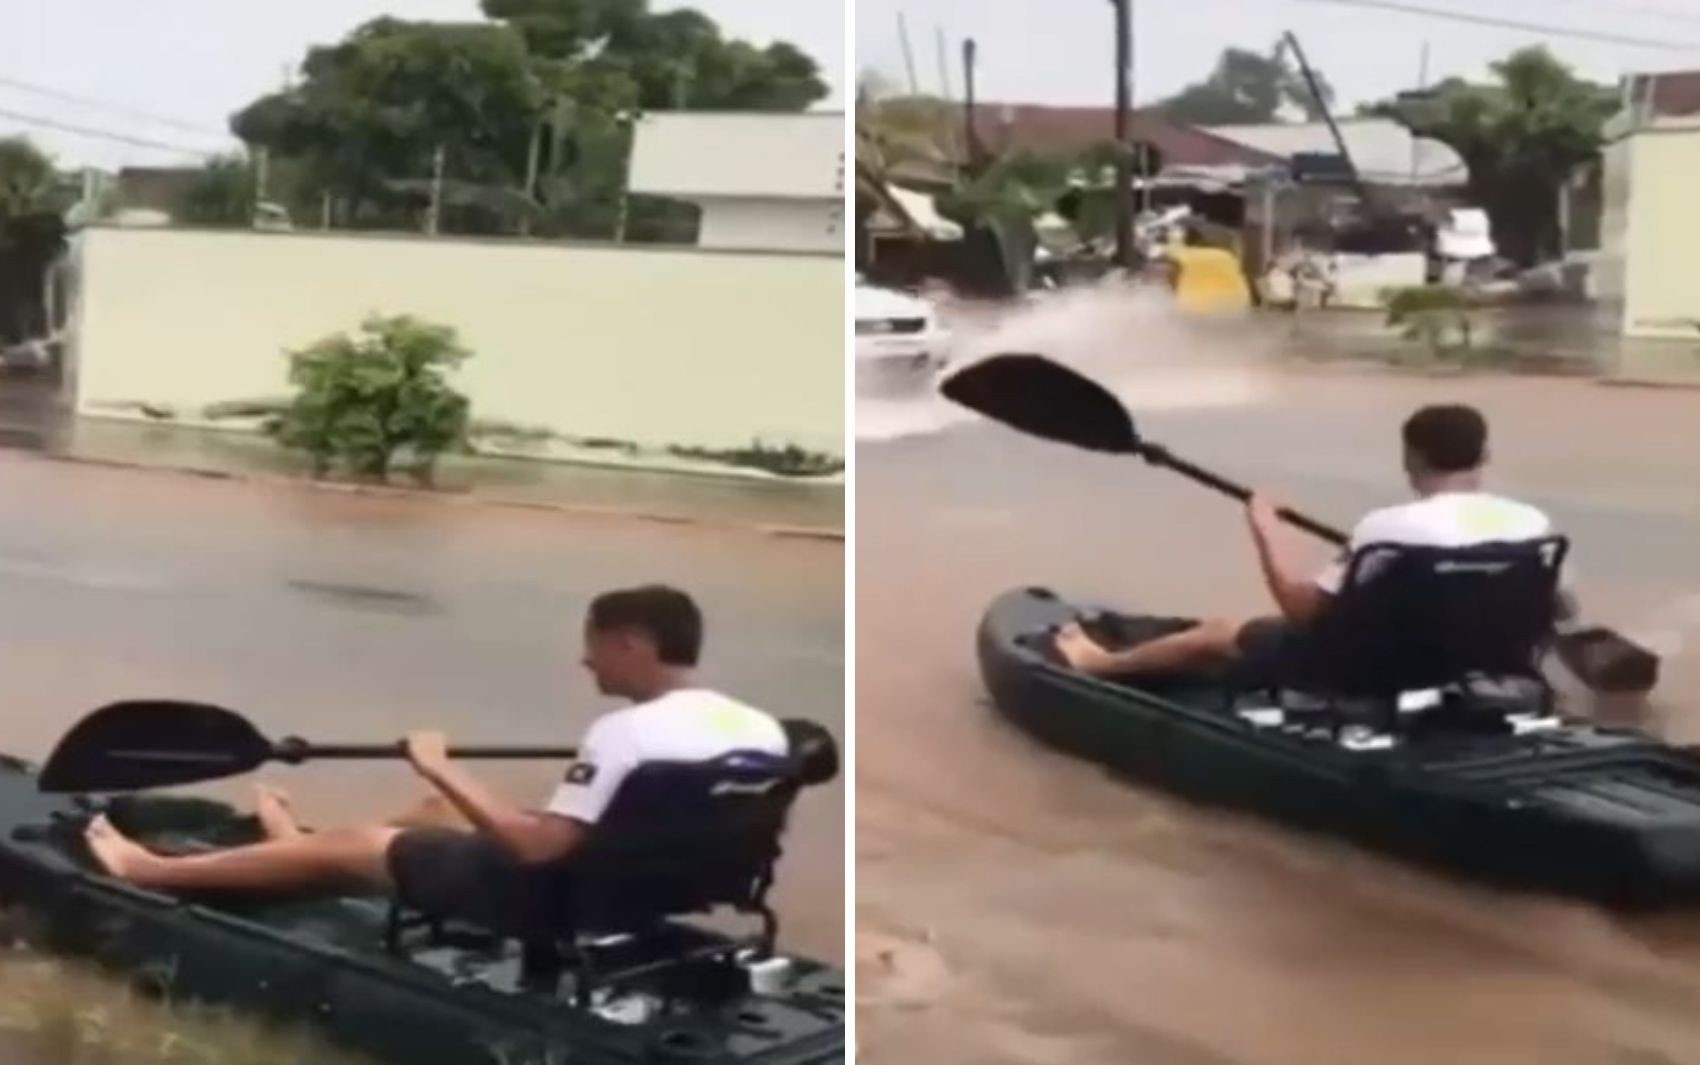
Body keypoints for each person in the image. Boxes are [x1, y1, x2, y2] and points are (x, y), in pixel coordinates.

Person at [84, 585, 789, 927]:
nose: (584, 659)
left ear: (631, 645)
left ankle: (151, 870)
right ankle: (298, 845)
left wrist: (438, 764)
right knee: (428, 821)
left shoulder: (624, 734)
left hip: (558, 897)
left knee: (377, 836)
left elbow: (537, 851)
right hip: (658, 889)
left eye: (594, 643)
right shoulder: (762, 731)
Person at [1055, 404, 1564, 682]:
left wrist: (1266, 529)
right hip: (1479, 660)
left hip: (1371, 667)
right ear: (1485, 455)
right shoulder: (1532, 525)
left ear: (1410, 458)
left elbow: (1302, 611)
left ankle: (1101, 664)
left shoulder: (1386, 528)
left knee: (1222, 632)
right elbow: (1554, 606)